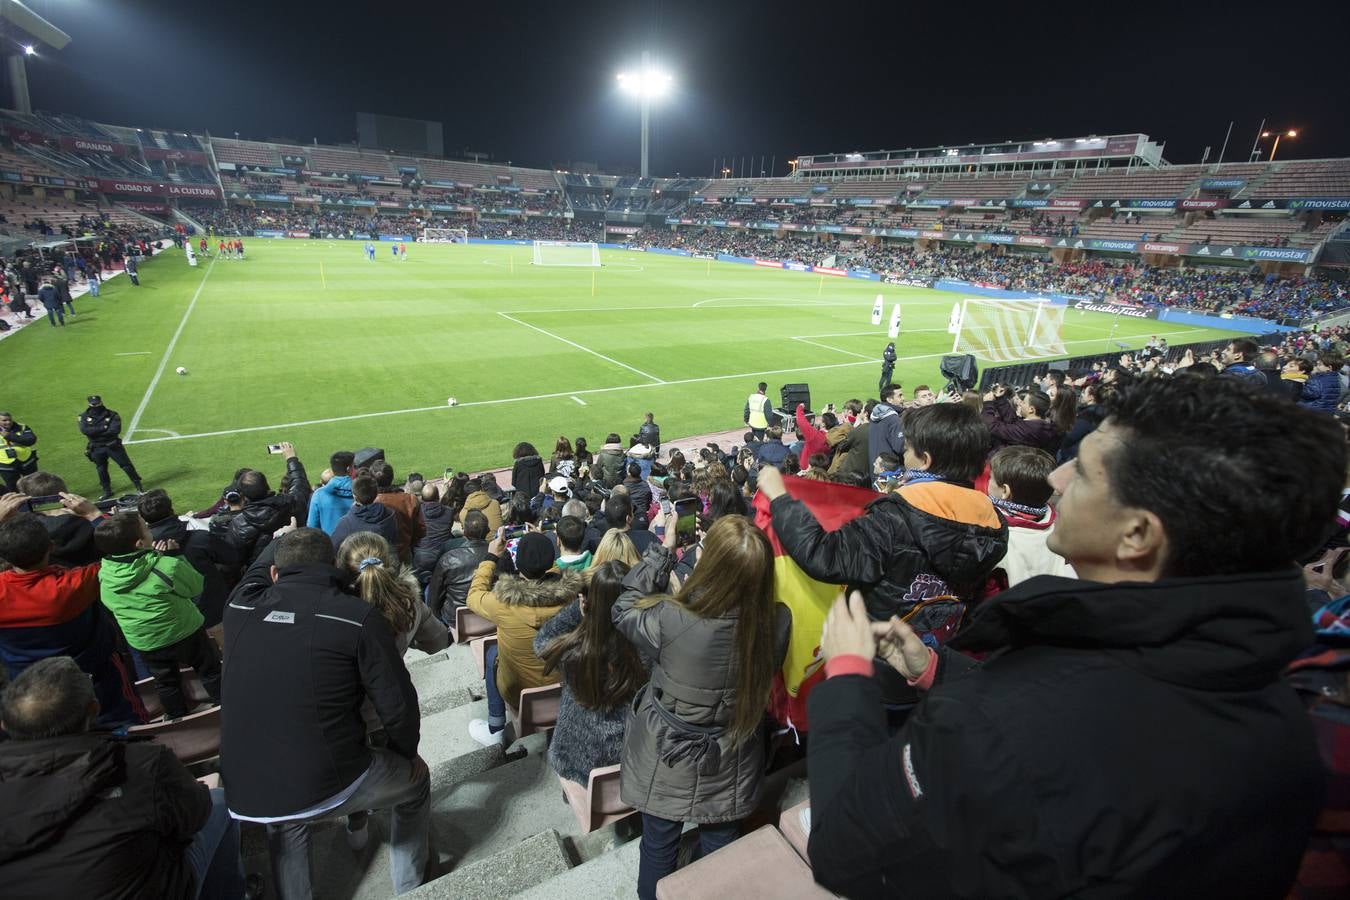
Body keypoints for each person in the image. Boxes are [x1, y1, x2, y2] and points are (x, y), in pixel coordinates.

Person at [804, 374, 1342, 898]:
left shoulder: (1003, 723)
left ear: (1137, 534)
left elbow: (846, 850)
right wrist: (937, 670)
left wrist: (848, 679)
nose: (1057, 480)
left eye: (1082, 471)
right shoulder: (1279, 708)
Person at [222, 528, 431, 898]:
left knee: (287, 817)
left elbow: (255, 573)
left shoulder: (240, 607)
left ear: (275, 574)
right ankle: (410, 888)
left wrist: (280, 538)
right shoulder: (356, 616)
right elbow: (397, 705)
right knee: (414, 782)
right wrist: (407, 754)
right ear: (332, 567)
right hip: (331, 777)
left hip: (250, 790)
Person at [758, 403, 1008, 705]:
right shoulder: (993, 522)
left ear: (925, 461)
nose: (903, 454)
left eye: (909, 448)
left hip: (878, 669)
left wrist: (781, 499)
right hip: (935, 666)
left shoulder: (895, 517)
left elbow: (825, 556)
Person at [613, 515, 786, 900]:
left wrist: (663, 551)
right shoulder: (777, 621)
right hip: (731, 753)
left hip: (669, 751)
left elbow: (622, 607)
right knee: (720, 839)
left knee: (659, 846)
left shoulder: (672, 617)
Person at [0, 656, 253, 900]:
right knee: (218, 803)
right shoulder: (139, 762)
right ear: (94, 708)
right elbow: (195, 813)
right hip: (152, 888)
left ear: (5, 724)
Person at [0, 507, 145, 728]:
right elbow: (121, 553)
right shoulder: (73, 585)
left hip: (30, 690)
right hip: (98, 680)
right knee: (128, 728)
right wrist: (94, 515)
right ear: (51, 546)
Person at [93, 512, 222, 719]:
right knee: (210, 669)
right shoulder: (165, 566)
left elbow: (110, 604)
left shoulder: (104, 574)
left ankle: (177, 716)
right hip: (184, 632)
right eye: (146, 528)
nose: (150, 530)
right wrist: (175, 558)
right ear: (139, 543)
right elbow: (194, 587)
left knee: (165, 682)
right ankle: (225, 704)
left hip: (146, 641)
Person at [535, 560, 648, 785]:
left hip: (576, 759)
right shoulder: (649, 649)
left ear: (587, 601)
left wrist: (583, 612)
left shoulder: (572, 653)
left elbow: (541, 642)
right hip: (632, 758)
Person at [465, 531, 582, 746]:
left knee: (492, 653)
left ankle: (495, 728)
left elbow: (473, 596)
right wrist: (539, 553)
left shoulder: (502, 602)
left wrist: (491, 557)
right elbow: (556, 574)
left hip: (518, 690)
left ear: (517, 565)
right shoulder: (572, 596)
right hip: (565, 686)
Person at [985, 446, 1074, 590]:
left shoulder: (992, 531)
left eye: (991, 478)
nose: (988, 481)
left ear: (1005, 491)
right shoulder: (1060, 526)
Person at [137, 489, 229, 627]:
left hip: (177, 619)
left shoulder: (140, 551)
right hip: (209, 610)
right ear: (171, 510)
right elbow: (231, 556)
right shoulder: (200, 537)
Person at [427, 509, 491, 625]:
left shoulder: (449, 559)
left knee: (428, 590)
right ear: (488, 530)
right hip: (489, 616)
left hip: (456, 619)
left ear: (464, 532)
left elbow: (434, 597)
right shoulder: (500, 555)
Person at [78, 395, 144, 501]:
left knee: (126, 465)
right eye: (93, 404)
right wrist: (103, 428)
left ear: (101, 402)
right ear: (89, 404)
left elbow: (114, 430)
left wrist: (96, 432)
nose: (96, 406)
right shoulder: (83, 416)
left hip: (112, 445)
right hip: (96, 447)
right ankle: (107, 491)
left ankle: (138, 486)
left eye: (97, 403)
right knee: (101, 469)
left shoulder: (112, 414)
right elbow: (85, 431)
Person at [330, 473, 400, 551]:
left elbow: (333, 548)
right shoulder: (390, 514)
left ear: (354, 496)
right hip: (385, 560)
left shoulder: (347, 522)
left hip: (360, 561)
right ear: (376, 493)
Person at [983, 385, 1061, 454]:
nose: (1020, 403)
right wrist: (1000, 398)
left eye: (1023, 402)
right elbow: (1013, 421)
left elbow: (993, 427)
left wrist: (988, 404)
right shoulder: (1041, 425)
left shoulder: (1029, 430)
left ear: (1031, 409)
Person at [370, 461, 421, 563]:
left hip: (379, 558)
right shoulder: (410, 499)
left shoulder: (368, 502)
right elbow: (420, 530)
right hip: (402, 555)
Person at [307, 450, 354, 533]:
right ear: (349, 469)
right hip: (356, 544)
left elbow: (312, 527)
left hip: (329, 543)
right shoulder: (361, 491)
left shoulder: (319, 494)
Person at [867, 383, 906, 471]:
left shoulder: (874, 417)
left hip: (876, 469)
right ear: (889, 400)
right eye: (900, 396)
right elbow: (901, 447)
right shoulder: (893, 419)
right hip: (891, 471)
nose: (904, 398)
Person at [0, 411, 38, 492]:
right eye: (4, 420)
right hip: (6, 466)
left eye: (10, 420)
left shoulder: (22, 427)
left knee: (33, 485)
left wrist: (9, 436)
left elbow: (31, 440)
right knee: (13, 488)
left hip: (27, 462)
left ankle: (34, 503)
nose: (8, 422)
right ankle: (20, 504)